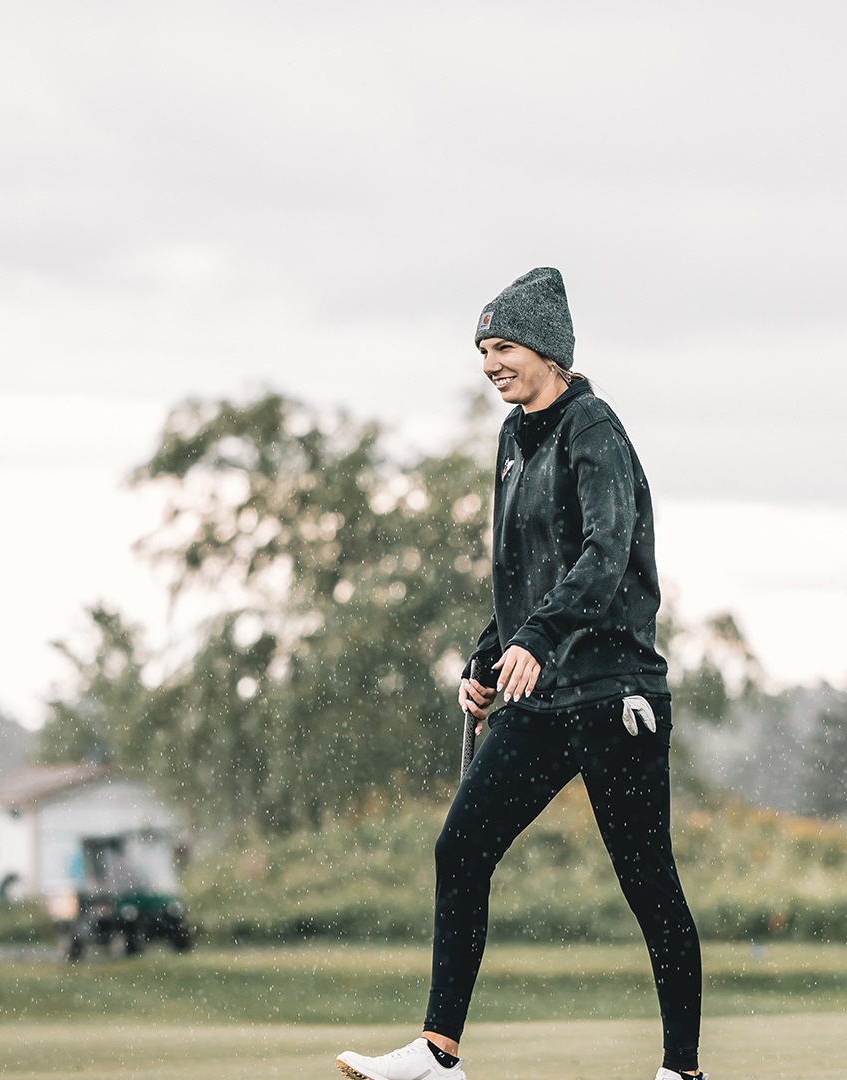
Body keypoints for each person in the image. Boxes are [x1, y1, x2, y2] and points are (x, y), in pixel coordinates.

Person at [336, 269, 703, 1080]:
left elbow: (605, 556)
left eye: (501, 347)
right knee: (460, 848)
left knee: (647, 880)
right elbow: (524, 574)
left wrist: (536, 635)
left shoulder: (593, 427)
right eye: (482, 349)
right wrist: (486, 655)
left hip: (615, 692)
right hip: (543, 693)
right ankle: (439, 1055)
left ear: (546, 350)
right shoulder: (512, 439)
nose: (489, 363)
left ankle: (682, 1070)